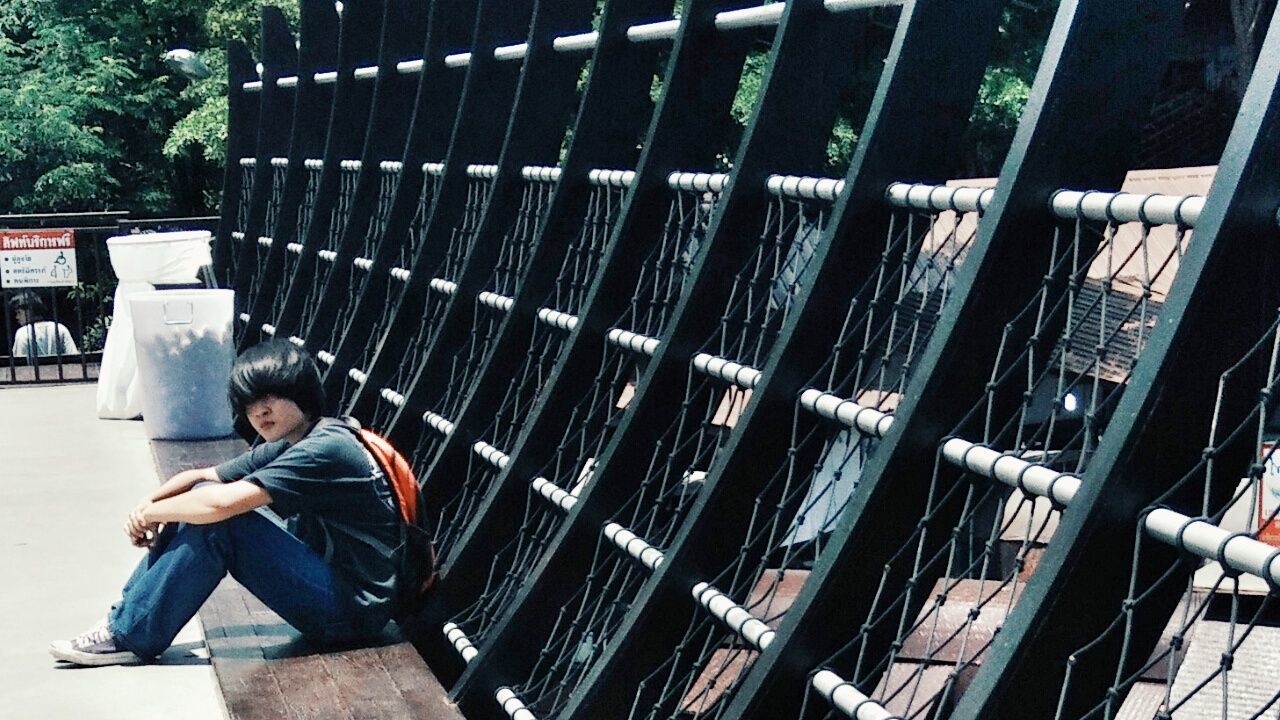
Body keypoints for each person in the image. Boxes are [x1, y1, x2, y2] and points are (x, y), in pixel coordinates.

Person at [49, 339, 401, 666]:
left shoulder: (324, 450)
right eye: (249, 403)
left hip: (353, 613)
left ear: (302, 393)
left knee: (222, 521)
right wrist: (147, 506)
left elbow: (221, 506)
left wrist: (155, 513)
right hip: (337, 589)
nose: (259, 412)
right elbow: (203, 477)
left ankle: (128, 633)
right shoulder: (298, 438)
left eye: (271, 398)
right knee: (195, 498)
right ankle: (123, 619)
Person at [9, 290, 78, 359]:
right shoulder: (60, 328)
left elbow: (19, 363)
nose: (17, 317)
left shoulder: (23, 333)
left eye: (19, 312)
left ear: (30, 310)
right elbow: (74, 357)